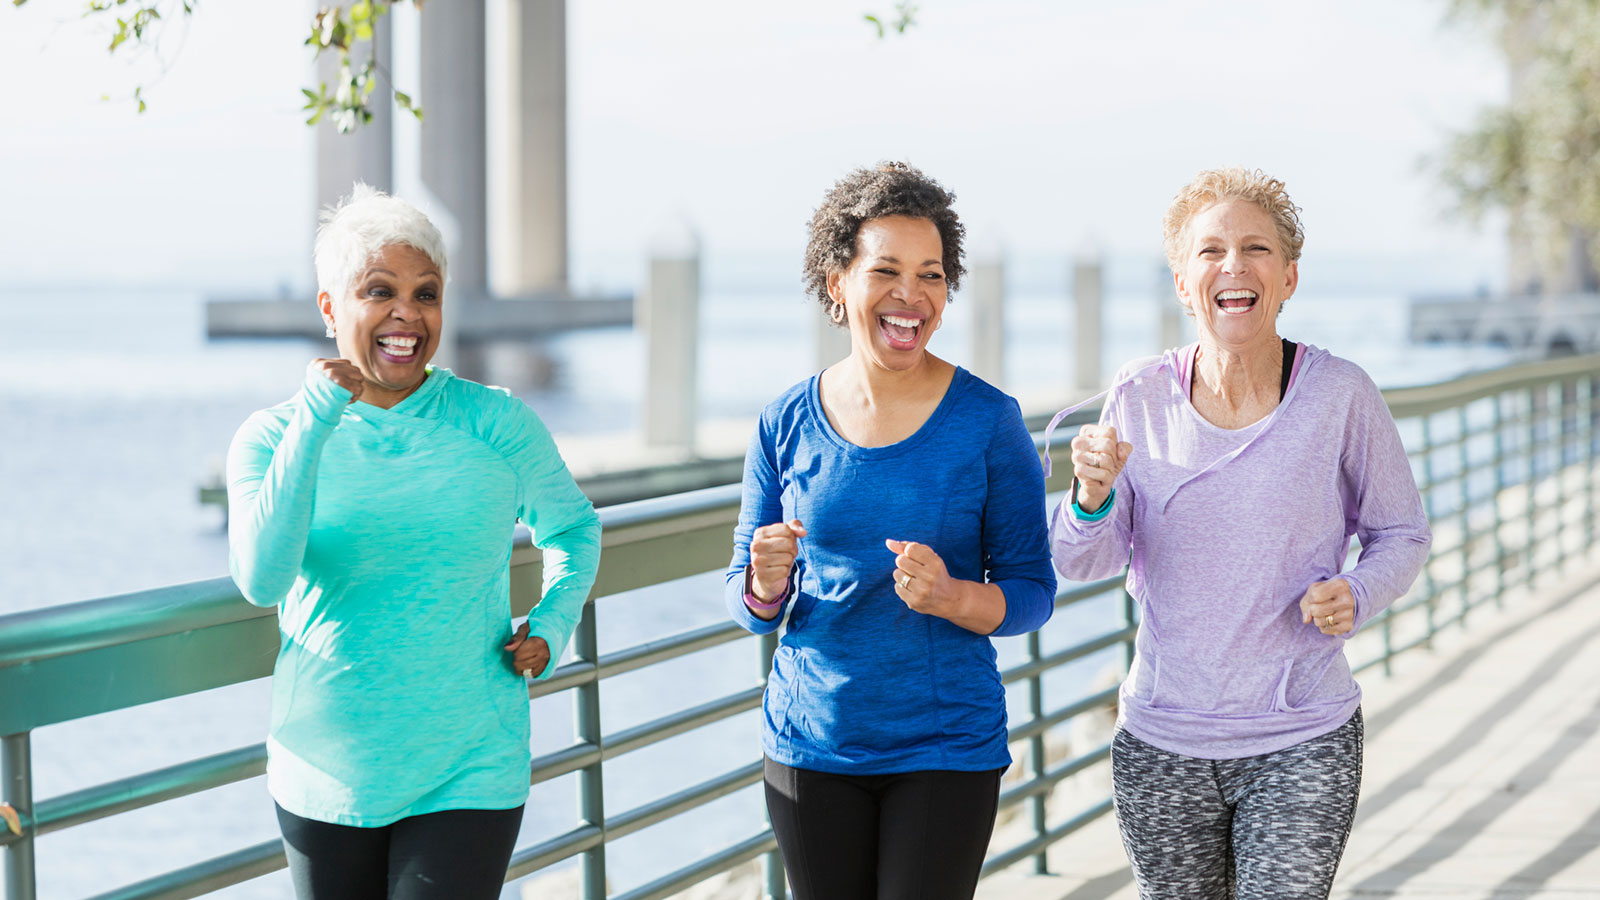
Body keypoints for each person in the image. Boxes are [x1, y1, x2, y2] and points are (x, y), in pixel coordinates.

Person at [1049, 167, 1431, 899]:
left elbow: (1402, 531)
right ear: (1182, 282)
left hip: (1302, 736)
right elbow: (1081, 559)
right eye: (1210, 251)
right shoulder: (1139, 394)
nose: (1234, 265)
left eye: (1256, 249)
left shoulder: (1340, 394)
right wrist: (1090, 494)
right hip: (1164, 742)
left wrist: (1357, 590)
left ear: (1287, 277)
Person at [226, 184, 601, 900]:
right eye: (379, 291)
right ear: (331, 307)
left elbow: (574, 528)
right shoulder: (271, 437)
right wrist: (315, 420)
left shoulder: (496, 422)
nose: (407, 314)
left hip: (469, 765)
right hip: (326, 770)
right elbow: (261, 579)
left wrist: (551, 625)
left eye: (426, 294)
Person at [725, 162, 1057, 900]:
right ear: (837, 282)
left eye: (932, 275)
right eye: (887, 270)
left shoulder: (988, 421)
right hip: (810, 746)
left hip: (945, 748)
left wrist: (951, 598)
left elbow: (1033, 591)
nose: (912, 295)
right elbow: (746, 604)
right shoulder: (785, 419)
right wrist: (764, 582)